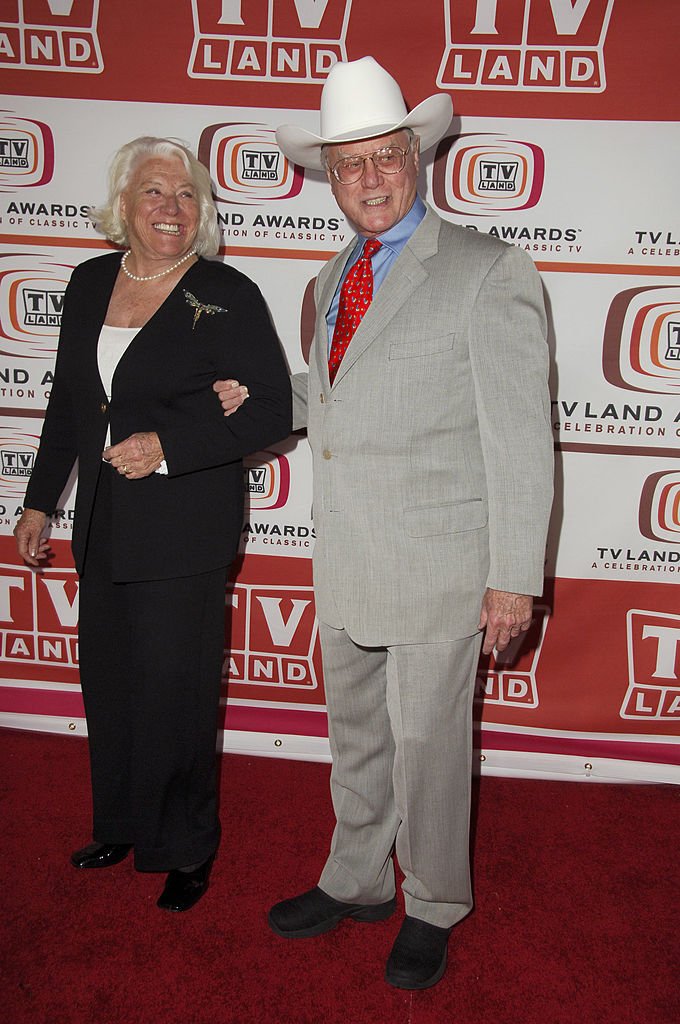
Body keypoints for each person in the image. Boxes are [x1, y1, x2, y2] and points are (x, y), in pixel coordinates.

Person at [216, 57, 553, 987]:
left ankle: (435, 899)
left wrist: (514, 578)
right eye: (349, 163)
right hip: (350, 556)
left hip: (442, 565)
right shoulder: (331, 278)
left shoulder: (489, 271)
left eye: (385, 157)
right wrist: (261, 400)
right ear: (331, 175)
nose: (368, 177)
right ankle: (356, 877)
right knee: (356, 735)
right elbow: (335, 397)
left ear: (417, 157)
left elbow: (522, 442)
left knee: (430, 747)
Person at [14, 137, 291, 912]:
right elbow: (70, 403)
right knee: (111, 686)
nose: (171, 207)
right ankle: (125, 823)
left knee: (176, 692)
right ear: (124, 205)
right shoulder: (88, 281)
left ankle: (187, 846)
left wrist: (169, 445)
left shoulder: (226, 291)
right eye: (154, 193)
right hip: (104, 524)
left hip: (185, 527)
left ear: (202, 211)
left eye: (187, 195)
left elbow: (272, 408)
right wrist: (40, 501)